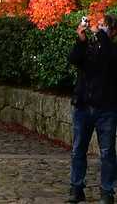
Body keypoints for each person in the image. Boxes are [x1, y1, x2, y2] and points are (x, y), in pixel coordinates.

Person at [69, 14, 117, 204]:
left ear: (113, 31)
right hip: (83, 106)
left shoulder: (112, 50)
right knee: (78, 149)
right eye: (100, 26)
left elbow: (109, 58)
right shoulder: (88, 48)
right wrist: (81, 40)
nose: (100, 29)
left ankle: (107, 192)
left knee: (107, 153)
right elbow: (73, 59)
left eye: (105, 27)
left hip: (107, 108)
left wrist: (102, 36)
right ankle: (76, 188)